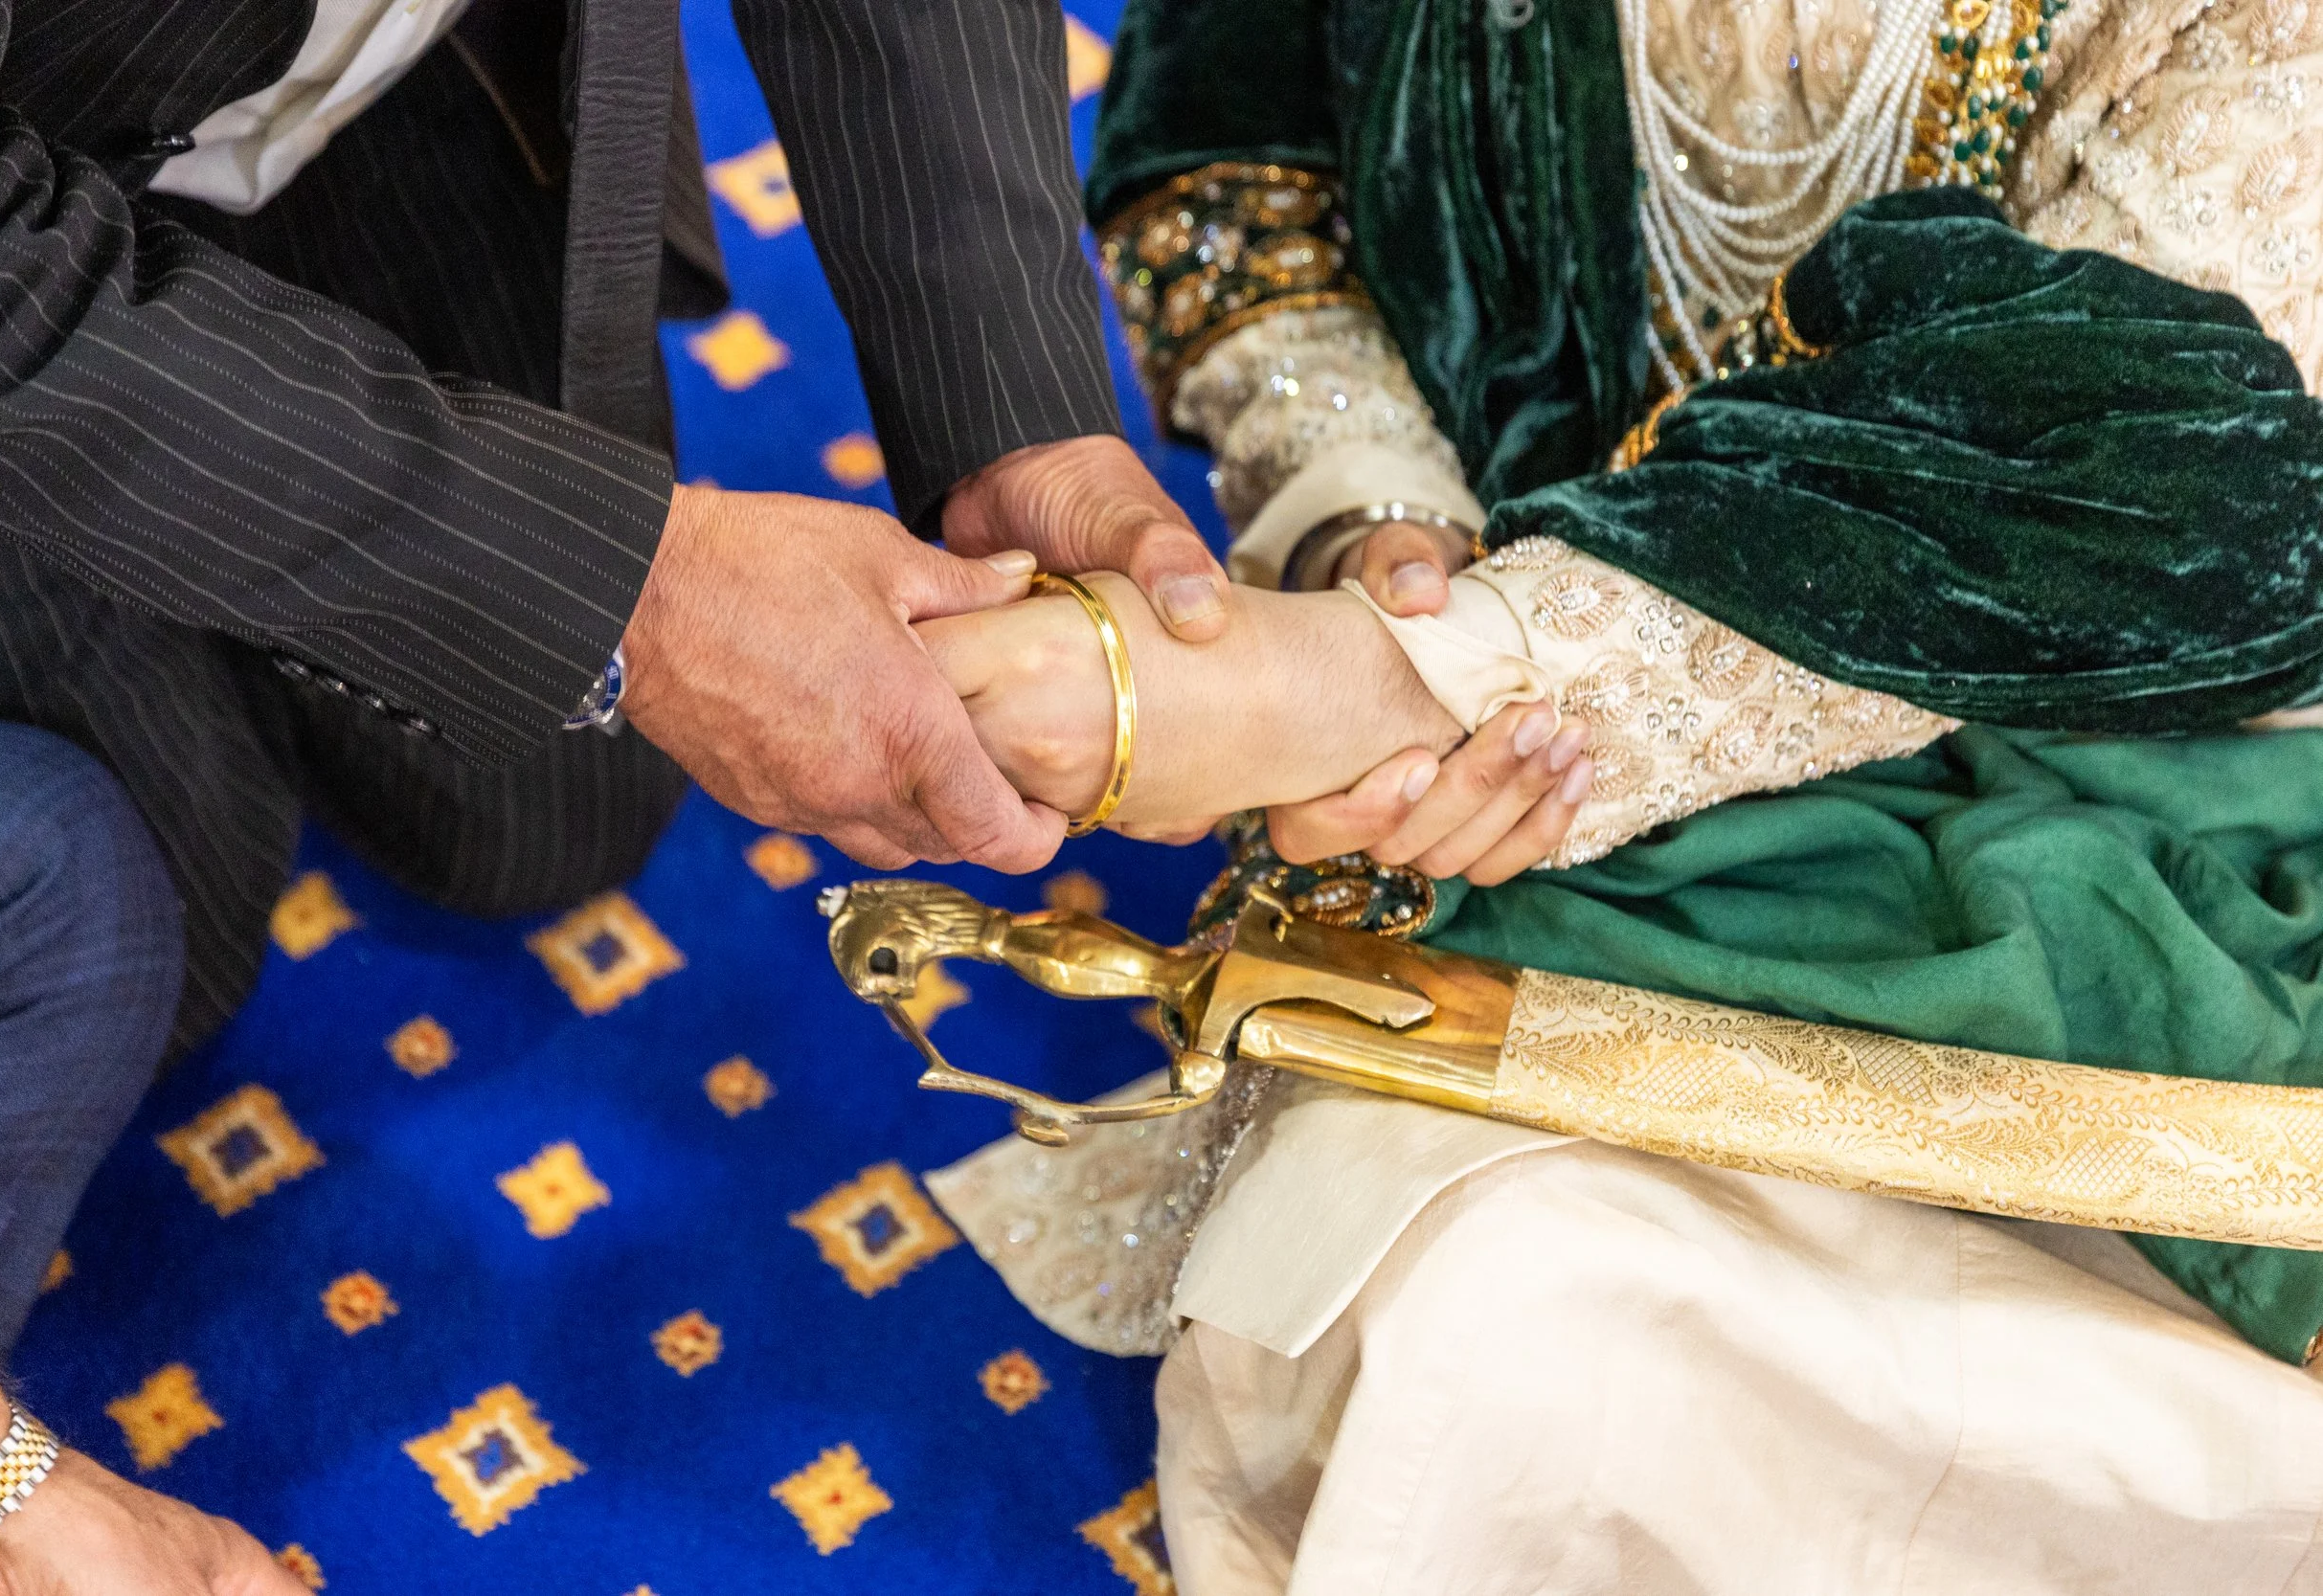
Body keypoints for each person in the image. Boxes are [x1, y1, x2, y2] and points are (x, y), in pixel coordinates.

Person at [0, 0, 1557, 1583]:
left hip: (399, 90)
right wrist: (635, 594)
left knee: (542, 817)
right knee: (138, 914)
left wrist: (1014, 416)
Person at [893, 0, 2323, 1586]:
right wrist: (1372, 529)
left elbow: (2201, 444)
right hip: (1500, 745)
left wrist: (1419, 677)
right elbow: (1232, 177)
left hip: (2125, 753)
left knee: (1985, 1402)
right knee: (1502, 1314)